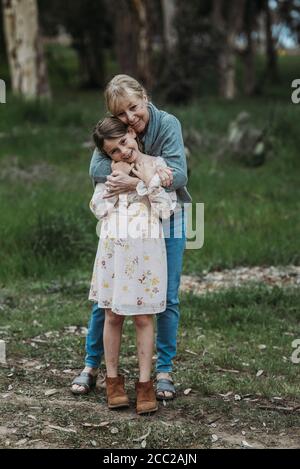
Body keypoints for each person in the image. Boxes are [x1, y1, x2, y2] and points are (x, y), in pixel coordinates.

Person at [71, 74, 191, 400]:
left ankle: (162, 371)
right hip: (125, 224)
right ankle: (91, 365)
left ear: (145, 97)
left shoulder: (167, 124)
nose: (130, 119)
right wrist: (125, 164)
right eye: (122, 114)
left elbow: (179, 174)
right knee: (107, 300)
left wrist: (136, 175)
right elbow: (96, 169)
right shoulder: (115, 130)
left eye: (134, 108)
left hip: (168, 217)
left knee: (165, 296)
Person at [88, 117, 177, 414]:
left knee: (142, 318)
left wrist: (141, 182)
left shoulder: (156, 165)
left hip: (146, 253)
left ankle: (145, 384)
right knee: (112, 315)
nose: (123, 151)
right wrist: (117, 181)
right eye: (114, 151)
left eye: (125, 142)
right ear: (108, 155)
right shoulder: (110, 173)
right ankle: (112, 381)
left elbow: (166, 209)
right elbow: (98, 208)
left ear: (132, 133)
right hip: (114, 252)